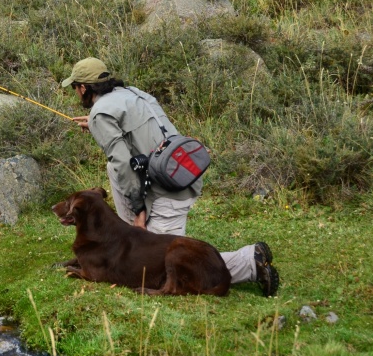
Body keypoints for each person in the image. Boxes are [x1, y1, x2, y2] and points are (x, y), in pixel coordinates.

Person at [61, 57, 279, 297]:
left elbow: (123, 163)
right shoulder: (134, 93)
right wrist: (97, 124)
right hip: (181, 174)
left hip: (167, 190)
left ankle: (249, 262)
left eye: (75, 87)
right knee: (143, 250)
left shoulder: (100, 112)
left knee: (155, 262)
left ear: (83, 88)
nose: (75, 92)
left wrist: (139, 211)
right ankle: (247, 260)